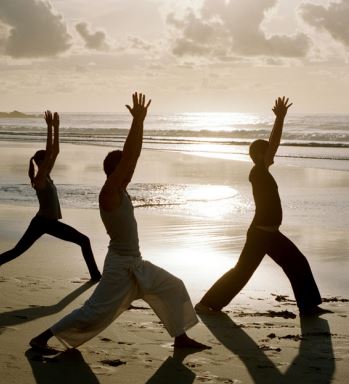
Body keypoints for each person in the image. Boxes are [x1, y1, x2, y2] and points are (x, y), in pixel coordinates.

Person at [30, 93, 209, 353]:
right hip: (119, 268)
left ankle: (180, 339)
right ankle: (42, 338)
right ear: (115, 172)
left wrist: (141, 122)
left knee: (173, 286)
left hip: (136, 263)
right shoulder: (109, 192)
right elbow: (129, 158)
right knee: (93, 312)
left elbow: (131, 157)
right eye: (126, 169)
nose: (132, 171)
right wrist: (137, 121)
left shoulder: (121, 190)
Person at [196, 96, 326, 316]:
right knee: (242, 272)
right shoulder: (258, 171)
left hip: (271, 235)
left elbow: (272, 146)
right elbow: (273, 142)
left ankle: (308, 306)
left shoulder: (263, 171)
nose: (273, 154)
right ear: (259, 155)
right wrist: (280, 119)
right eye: (268, 152)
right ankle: (207, 304)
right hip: (260, 234)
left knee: (298, 263)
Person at [0, 110, 102, 282]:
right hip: (42, 223)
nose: (50, 160)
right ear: (41, 163)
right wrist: (49, 128)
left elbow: (55, 151)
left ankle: (95, 276)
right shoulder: (40, 179)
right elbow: (50, 152)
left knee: (83, 241)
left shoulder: (46, 176)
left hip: (49, 223)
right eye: (46, 160)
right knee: (16, 251)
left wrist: (56, 127)